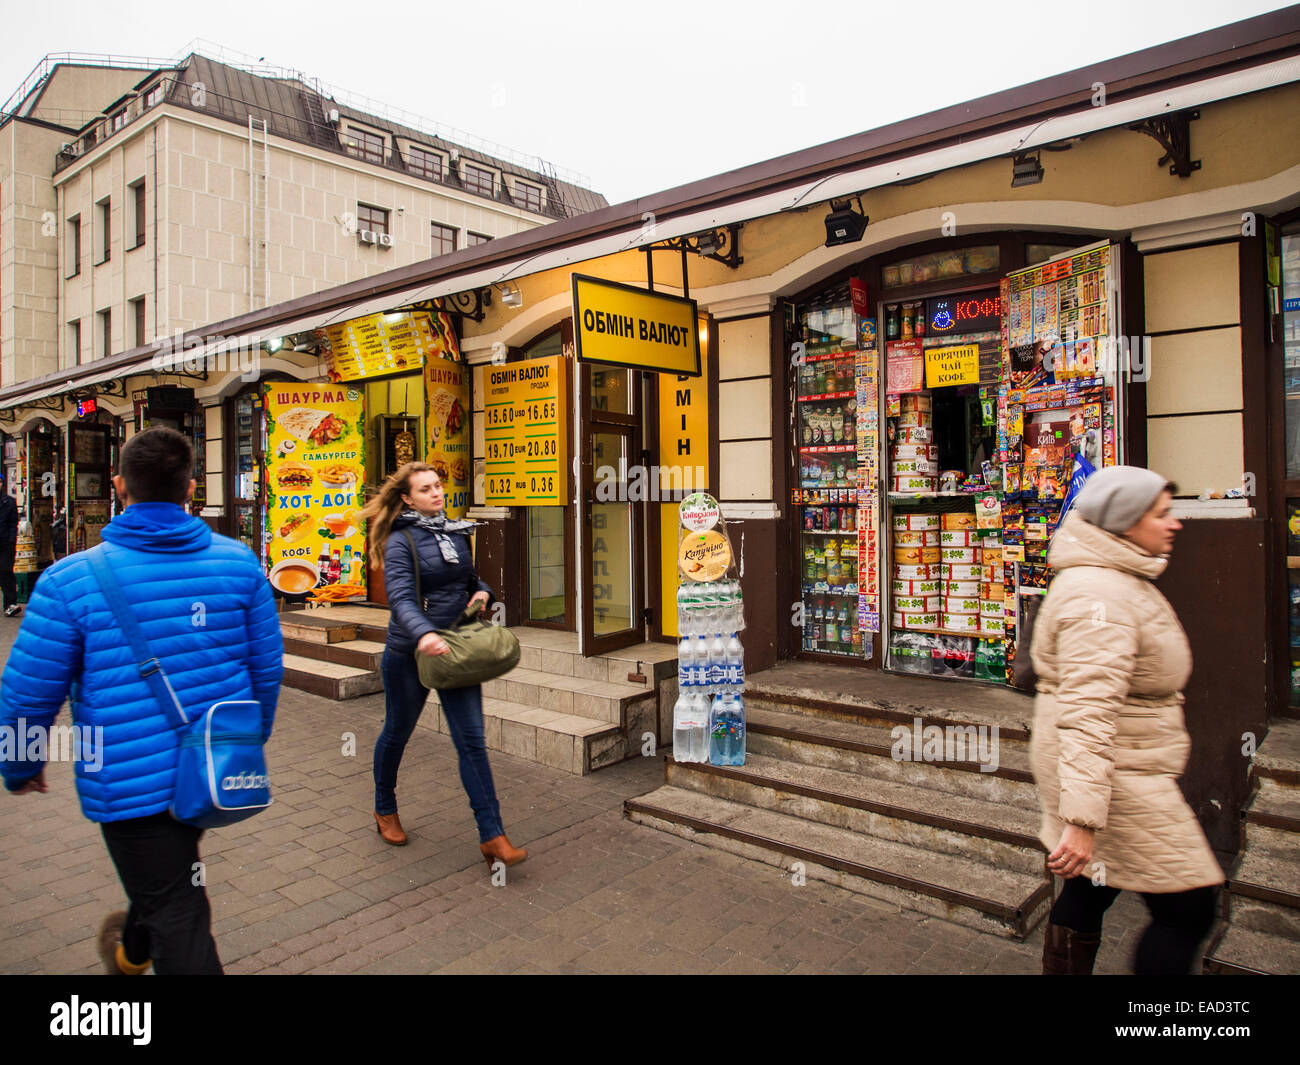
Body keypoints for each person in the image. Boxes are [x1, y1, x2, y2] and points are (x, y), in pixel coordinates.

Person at [0, 427, 283, 974]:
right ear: (191, 488)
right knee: (168, 876)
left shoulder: (68, 581)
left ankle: (134, 951)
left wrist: (20, 764)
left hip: (127, 781)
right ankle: (130, 952)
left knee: (177, 907)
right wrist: (242, 745)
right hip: (211, 765)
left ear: (118, 485)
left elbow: (27, 694)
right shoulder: (239, 562)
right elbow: (265, 670)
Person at [1029, 465, 1222, 975]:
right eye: (1160, 514)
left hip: (1118, 768)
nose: (1174, 523)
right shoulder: (1102, 597)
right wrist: (1083, 820)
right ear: (1126, 521)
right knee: (1189, 908)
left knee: (1093, 885)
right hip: (1117, 776)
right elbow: (1089, 710)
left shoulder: (1115, 578)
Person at [361, 461, 526, 867]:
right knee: (397, 731)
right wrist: (424, 634)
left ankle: (493, 836)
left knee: (471, 741)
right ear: (406, 498)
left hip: (456, 649)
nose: (437, 493)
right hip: (410, 652)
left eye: (438, 486)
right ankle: (385, 807)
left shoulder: (453, 532)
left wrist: (482, 593)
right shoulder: (402, 540)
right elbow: (399, 599)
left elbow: (471, 581)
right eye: (425, 489)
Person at [0, 480, 18, 616]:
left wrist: (12, 541)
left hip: (5, 542)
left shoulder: (9, 502)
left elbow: (13, 524)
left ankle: (10, 604)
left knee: (6, 572)